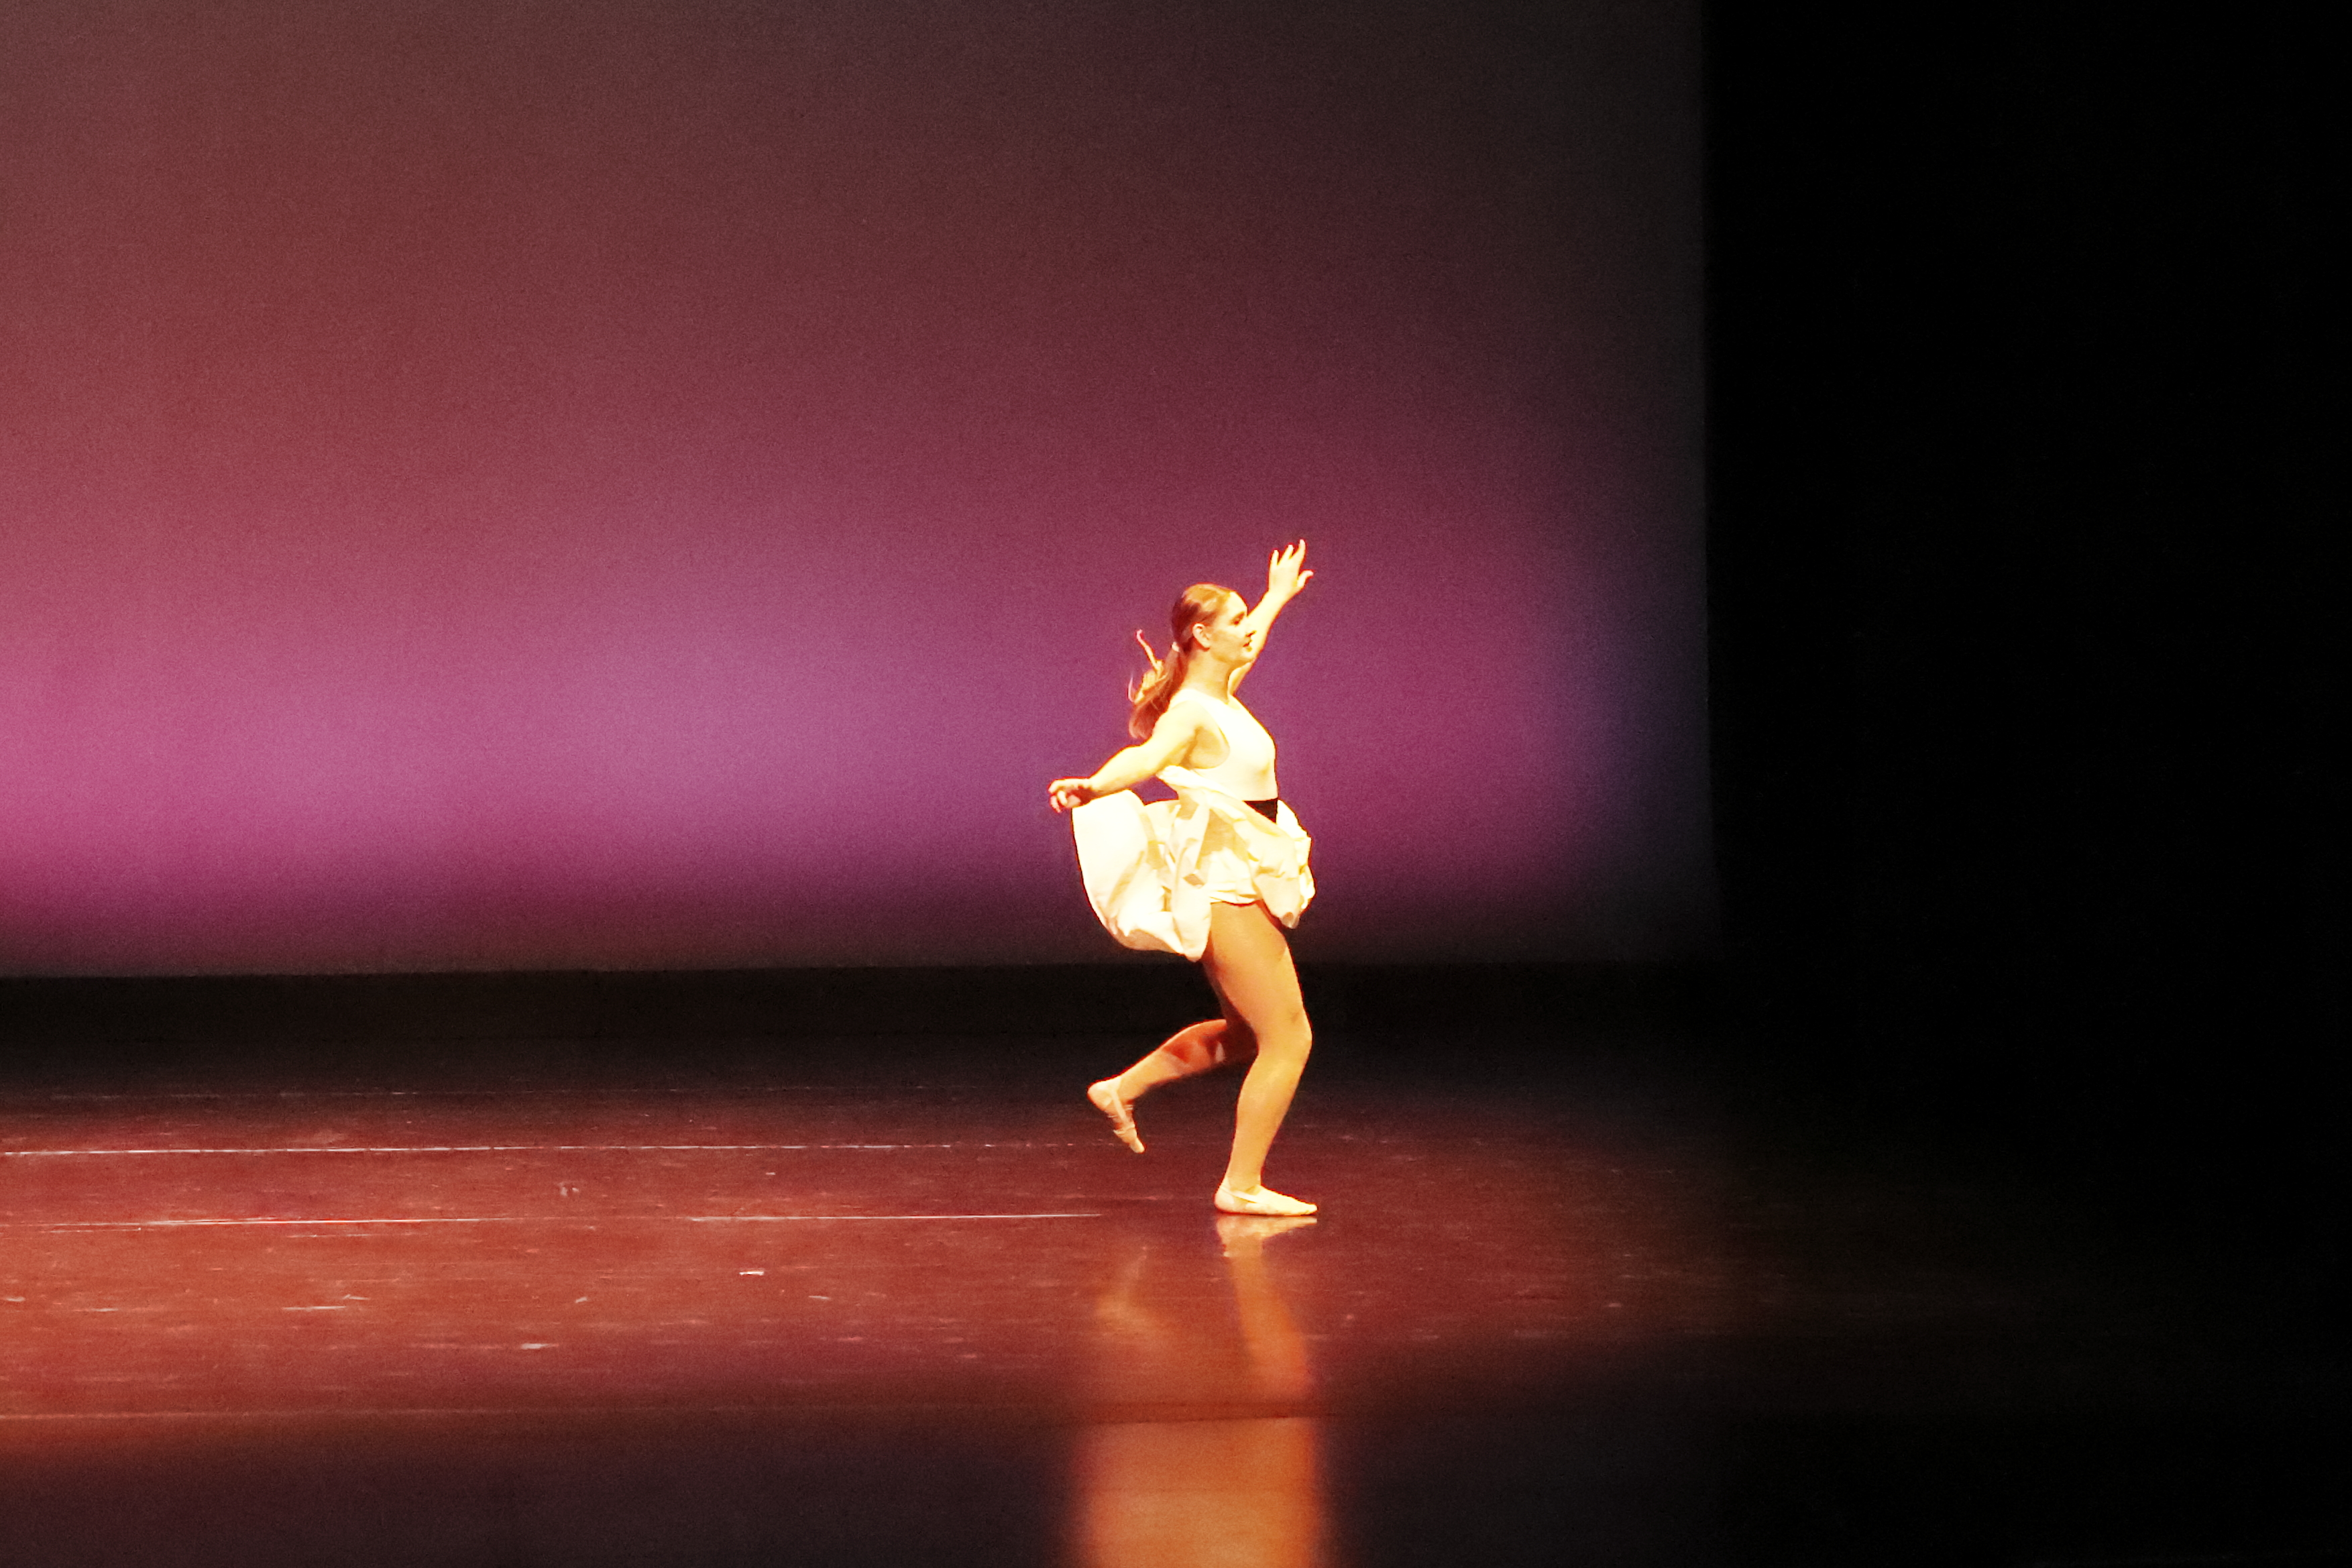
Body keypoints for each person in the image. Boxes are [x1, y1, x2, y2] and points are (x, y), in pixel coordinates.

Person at [1048, 542, 1319, 1217]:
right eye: (1235, 621)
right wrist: (1093, 786)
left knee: (1247, 1034)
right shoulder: (1193, 712)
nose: (1247, 632)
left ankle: (1120, 1089)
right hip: (1226, 885)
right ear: (1203, 635)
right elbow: (1147, 758)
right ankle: (1240, 1184)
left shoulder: (1220, 693)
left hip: (1243, 870)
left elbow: (1251, 644)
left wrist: (1275, 596)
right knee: (1289, 1038)